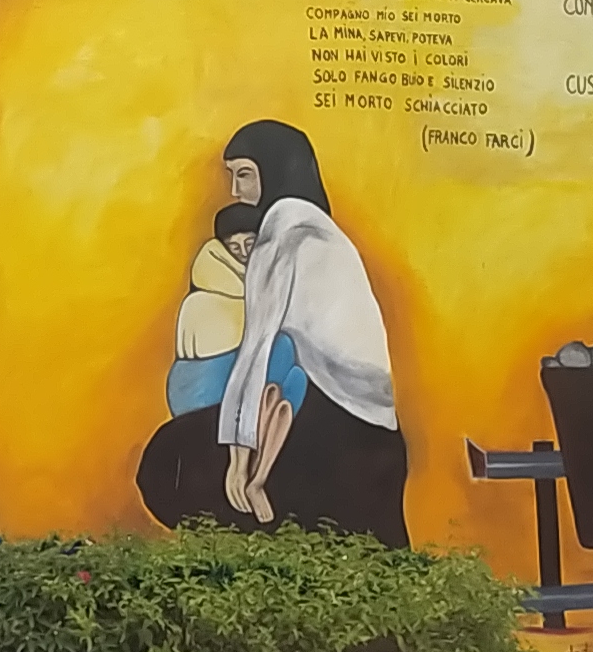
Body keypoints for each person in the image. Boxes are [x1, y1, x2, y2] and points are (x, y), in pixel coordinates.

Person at [136, 121, 409, 544]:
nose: (235, 191)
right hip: (378, 444)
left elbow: (256, 353)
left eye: (244, 175)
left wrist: (238, 460)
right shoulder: (325, 235)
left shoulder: (281, 237)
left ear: (276, 169)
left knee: (166, 462)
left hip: (330, 440)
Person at [167, 202, 306, 513]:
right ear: (222, 248)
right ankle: (242, 465)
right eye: (234, 246)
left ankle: (259, 475)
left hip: (238, 380)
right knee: (283, 348)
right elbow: (251, 352)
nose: (243, 253)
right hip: (199, 385)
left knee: (296, 379)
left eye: (249, 243)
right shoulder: (216, 275)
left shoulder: (264, 275)